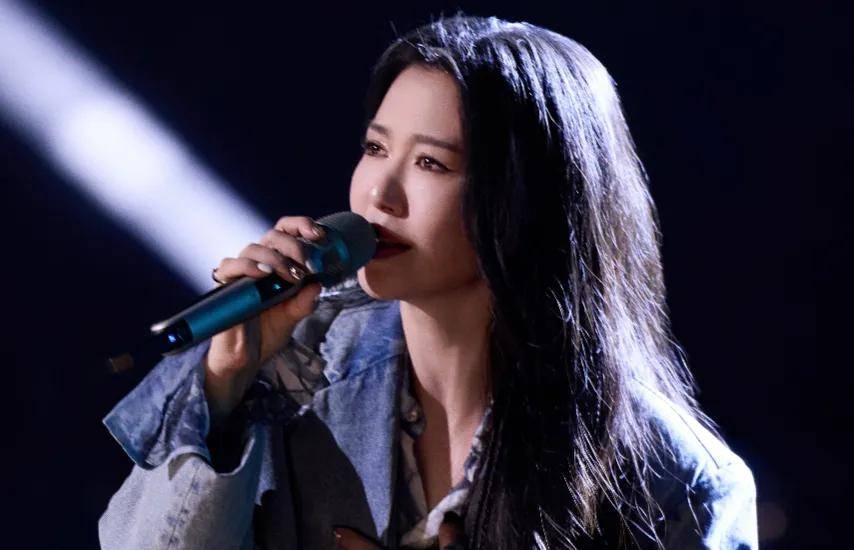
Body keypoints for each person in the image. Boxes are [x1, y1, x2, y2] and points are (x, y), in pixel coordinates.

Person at [98, 13, 758, 550]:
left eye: (431, 164)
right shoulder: (287, 377)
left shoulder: (672, 479)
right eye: (376, 148)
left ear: (525, 201)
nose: (379, 194)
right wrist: (225, 383)